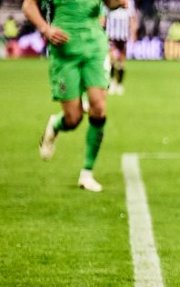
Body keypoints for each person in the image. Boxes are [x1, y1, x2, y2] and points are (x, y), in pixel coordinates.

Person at [27, 0, 125, 192]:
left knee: (99, 108)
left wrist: (119, 3)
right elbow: (28, 5)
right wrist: (45, 29)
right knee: (73, 118)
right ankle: (56, 124)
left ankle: (87, 173)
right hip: (65, 51)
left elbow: (111, 3)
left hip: (94, 47)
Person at [103, 0, 137, 95]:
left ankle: (119, 84)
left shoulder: (129, 2)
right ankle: (112, 82)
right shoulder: (109, 1)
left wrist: (133, 33)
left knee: (121, 61)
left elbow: (132, 17)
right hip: (111, 35)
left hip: (123, 35)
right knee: (112, 60)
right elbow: (104, 16)